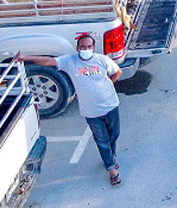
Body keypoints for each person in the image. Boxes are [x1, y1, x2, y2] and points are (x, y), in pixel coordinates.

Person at [15, 34, 123, 185]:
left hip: (110, 106)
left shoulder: (102, 60)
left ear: (93, 47)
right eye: (83, 47)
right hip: (91, 112)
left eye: (89, 46)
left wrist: (108, 85)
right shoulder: (69, 61)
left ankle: (111, 156)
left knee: (113, 135)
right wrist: (25, 57)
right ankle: (111, 169)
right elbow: (47, 61)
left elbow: (117, 72)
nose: (86, 49)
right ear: (77, 48)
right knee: (101, 140)